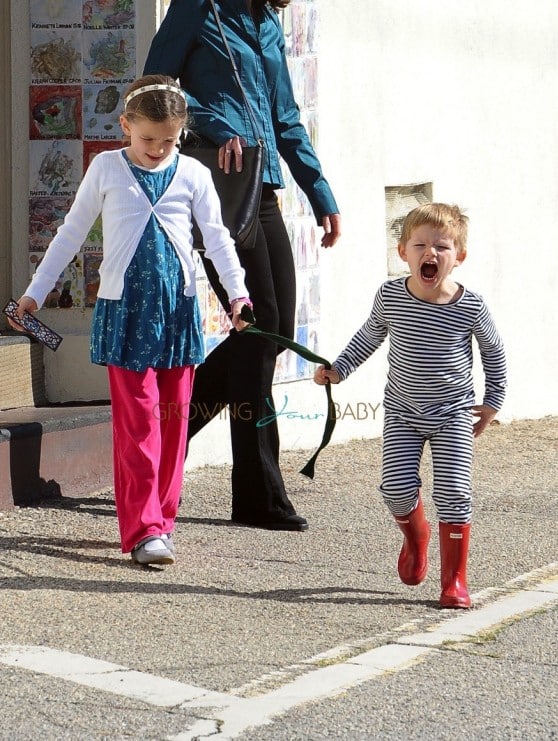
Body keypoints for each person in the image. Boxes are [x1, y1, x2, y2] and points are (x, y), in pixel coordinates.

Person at [10, 75, 252, 565]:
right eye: (147, 139)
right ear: (124, 127)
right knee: (139, 424)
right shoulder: (105, 168)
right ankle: (143, 530)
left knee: (172, 423)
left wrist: (238, 295)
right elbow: (70, 233)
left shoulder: (193, 176)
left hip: (179, 314)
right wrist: (35, 293)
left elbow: (218, 240)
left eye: (169, 140)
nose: (158, 150)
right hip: (124, 314)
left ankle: (162, 520)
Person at [144, 0, 342, 532]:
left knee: (271, 330)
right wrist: (213, 125)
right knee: (258, 323)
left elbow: (286, 118)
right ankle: (257, 493)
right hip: (214, 190)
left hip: (265, 187)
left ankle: (171, 431)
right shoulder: (198, 9)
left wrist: (321, 194)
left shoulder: (266, 23)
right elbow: (154, 88)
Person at [314, 204, 507, 609]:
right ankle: (416, 538)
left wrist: (492, 401)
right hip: (403, 412)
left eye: (441, 246)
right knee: (396, 491)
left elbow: (494, 351)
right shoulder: (390, 296)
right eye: (420, 244)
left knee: (454, 492)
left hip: (453, 414)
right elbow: (369, 337)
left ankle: (454, 580)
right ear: (403, 252)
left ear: (459, 257)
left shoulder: (470, 306)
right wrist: (337, 370)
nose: (430, 253)